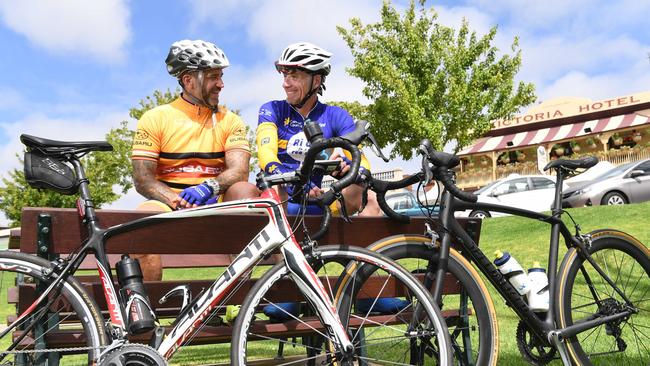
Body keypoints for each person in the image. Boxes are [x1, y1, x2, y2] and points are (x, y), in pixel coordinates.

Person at [132, 39, 258, 280]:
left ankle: (237, 298)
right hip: (169, 200)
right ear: (188, 80)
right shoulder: (155, 118)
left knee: (246, 190)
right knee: (140, 227)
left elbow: (240, 172)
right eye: (213, 77)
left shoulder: (230, 120)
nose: (221, 84)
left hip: (217, 199)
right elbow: (142, 179)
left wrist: (208, 187)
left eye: (221, 77)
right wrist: (174, 198)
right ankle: (147, 314)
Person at [256, 42, 380, 216]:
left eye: (294, 76)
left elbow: (362, 163)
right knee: (276, 187)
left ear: (316, 80)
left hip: (317, 199)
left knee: (368, 196)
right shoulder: (272, 109)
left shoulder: (336, 115)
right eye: (284, 76)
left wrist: (349, 169)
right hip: (281, 199)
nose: (285, 84)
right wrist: (293, 181)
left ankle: (367, 243)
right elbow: (266, 156)